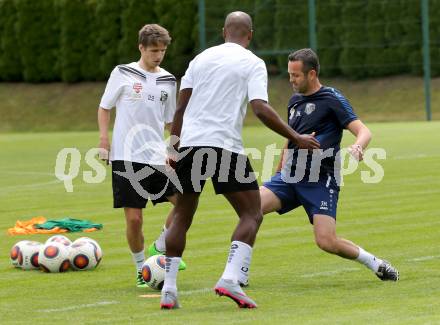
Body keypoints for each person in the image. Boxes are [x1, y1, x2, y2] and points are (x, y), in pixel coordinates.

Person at [160, 12, 320, 309]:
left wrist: (172, 148)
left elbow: (180, 108)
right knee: (252, 213)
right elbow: (260, 108)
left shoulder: (200, 59)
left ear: (224, 32)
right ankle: (230, 279)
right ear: (250, 34)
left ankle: (169, 289)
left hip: (190, 145)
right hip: (224, 148)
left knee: (182, 215)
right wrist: (296, 137)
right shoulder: (253, 63)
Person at [241, 48, 399, 286]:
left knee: (326, 241)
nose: (291, 80)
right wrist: (279, 168)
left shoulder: (332, 98)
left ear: (312, 74)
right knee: (250, 209)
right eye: (289, 74)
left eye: (296, 75)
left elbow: (363, 130)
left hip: (320, 179)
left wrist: (358, 146)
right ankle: (239, 274)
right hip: (289, 178)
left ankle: (375, 263)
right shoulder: (294, 101)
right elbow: (290, 137)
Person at [97, 24, 185, 288]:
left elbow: (171, 122)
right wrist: (104, 139)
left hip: (157, 157)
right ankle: (140, 268)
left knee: (183, 203)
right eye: (153, 50)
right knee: (134, 219)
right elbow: (104, 107)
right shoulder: (122, 73)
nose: (158, 55)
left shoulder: (169, 80)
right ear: (141, 48)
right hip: (126, 157)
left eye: (162, 50)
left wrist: (175, 150)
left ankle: (160, 246)